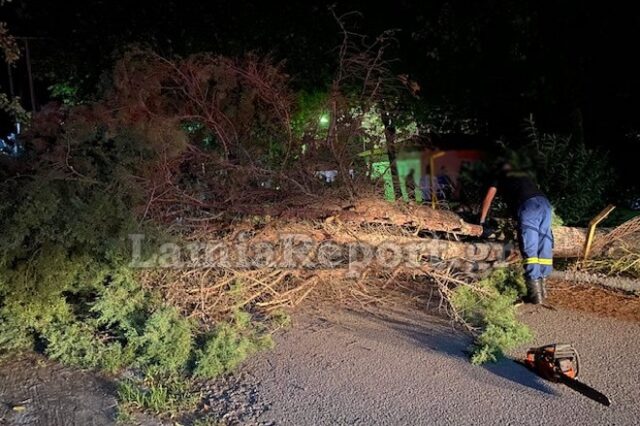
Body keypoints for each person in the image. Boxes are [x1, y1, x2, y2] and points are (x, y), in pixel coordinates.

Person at [479, 162, 553, 304]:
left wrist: (482, 221)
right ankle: (543, 290)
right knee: (544, 244)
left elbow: (488, 198)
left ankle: (535, 295)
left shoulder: (499, 175)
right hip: (545, 204)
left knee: (530, 247)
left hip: (528, 206)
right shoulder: (521, 173)